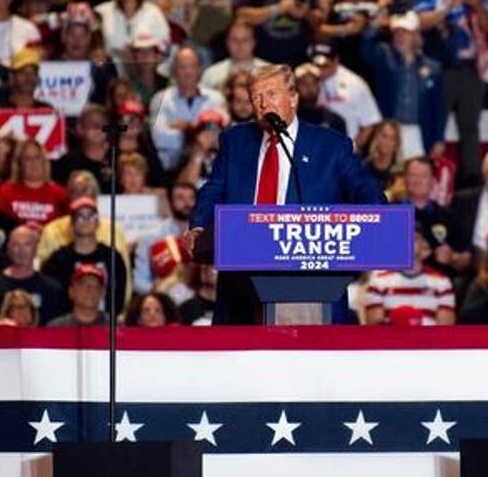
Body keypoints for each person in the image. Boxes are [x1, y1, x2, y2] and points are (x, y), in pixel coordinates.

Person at [187, 64, 385, 323]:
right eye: (255, 97)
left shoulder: (331, 146)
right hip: (241, 283)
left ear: (293, 98)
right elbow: (214, 189)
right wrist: (199, 224)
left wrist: (380, 217)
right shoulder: (235, 141)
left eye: (271, 94)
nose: (262, 103)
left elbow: (364, 188)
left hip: (314, 282)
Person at [414, 0, 488, 181]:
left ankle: (471, 180)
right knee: (435, 125)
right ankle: (424, 177)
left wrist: (476, 5)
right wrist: (447, 8)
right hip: (439, 66)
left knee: (470, 126)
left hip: (468, 68)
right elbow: (419, 21)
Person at [360, 11, 444, 160]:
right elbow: (365, 50)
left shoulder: (432, 67)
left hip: (419, 130)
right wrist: (374, 26)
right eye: (397, 32)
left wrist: (438, 138)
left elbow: (438, 107)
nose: (400, 37)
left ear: (415, 35)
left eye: (405, 32)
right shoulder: (384, 55)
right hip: (390, 130)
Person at [41, 196, 128, 314]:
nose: (86, 220)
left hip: (104, 324)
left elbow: (119, 295)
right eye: (80, 217)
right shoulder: (58, 260)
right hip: (68, 326)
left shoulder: (112, 257)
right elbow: (52, 297)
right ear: (71, 224)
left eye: (91, 216)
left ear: (98, 223)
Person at [149, 47, 226, 172]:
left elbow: (219, 138)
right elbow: (160, 139)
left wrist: (185, 129)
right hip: (170, 170)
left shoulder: (216, 98)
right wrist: (198, 132)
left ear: (200, 70)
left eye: (193, 66)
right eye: (182, 67)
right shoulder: (160, 99)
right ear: (174, 71)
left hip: (209, 170)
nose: (188, 72)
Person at [0, 225, 66, 324]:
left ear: (36, 248)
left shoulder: (53, 290)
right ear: (8, 249)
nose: (21, 250)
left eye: (27, 244)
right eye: (15, 244)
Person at [365, 226, 455, 325]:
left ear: (424, 246)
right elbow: (373, 328)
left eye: (414, 238)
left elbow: (446, 330)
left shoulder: (442, 282)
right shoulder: (379, 280)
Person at [96, 0, 170, 68]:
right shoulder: (103, 11)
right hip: (113, 69)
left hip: (145, 69)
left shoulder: (153, 12)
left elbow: (165, 44)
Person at [311, 41, 381, 146]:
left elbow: (369, 123)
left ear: (336, 61)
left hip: (343, 147)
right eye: (316, 65)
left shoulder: (355, 84)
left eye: (324, 65)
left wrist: (353, 149)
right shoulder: (307, 80)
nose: (319, 70)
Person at [0, 139, 71, 225]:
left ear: (44, 161)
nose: (33, 163)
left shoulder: (60, 194)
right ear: (19, 163)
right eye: (27, 159)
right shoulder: (5, 192)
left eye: (37, 157)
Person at [201, 22, 270, 92]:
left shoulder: (269, 73)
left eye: (245, 40)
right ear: (227, 43)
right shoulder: (212, 74)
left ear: (253, 43)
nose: (240, 44)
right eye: (234, 40)